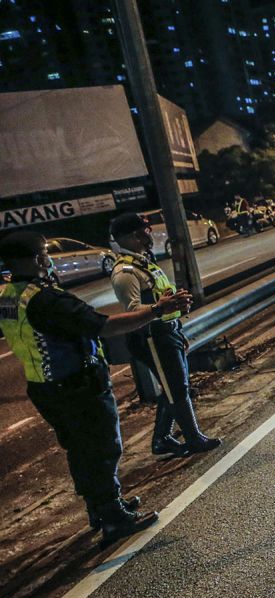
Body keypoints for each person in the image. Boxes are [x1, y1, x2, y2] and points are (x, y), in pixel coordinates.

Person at [0, 231, 193, 546]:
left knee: (79, 449)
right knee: (102, 448)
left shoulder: (9, 295)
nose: (48, 259)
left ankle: (100, 507)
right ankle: (114, 518)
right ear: (38, 259)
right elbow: (105, 326)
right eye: (44, 254)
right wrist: (159, 309)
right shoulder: (47, 299)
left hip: (43, 387)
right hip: (76, 386)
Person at [109, 212, 222, 457]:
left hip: (167, 331)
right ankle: (193, 439)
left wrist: (177, 309)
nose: (146, 237)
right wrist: (164, 307)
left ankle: (162, 438)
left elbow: (162, 300)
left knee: (173, 386)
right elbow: (132, 311)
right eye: (140, 233)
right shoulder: (125, 272)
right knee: (176, 388)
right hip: (151, 336)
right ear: (127, 237)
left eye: (146, 231)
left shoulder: (143, 262)